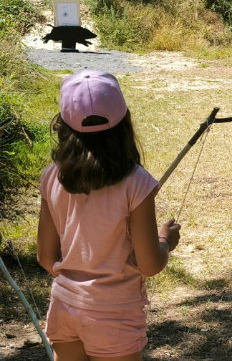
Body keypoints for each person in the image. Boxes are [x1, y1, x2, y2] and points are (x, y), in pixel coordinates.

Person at [37, 69, 181, 361]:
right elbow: (150, 264)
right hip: (114, 314)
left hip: (63, 307)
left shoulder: (52, 176)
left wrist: (76, 281)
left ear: (63, 125)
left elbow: (45, 256)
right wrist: (165, 240)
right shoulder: (136, 181)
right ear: (124, 122)